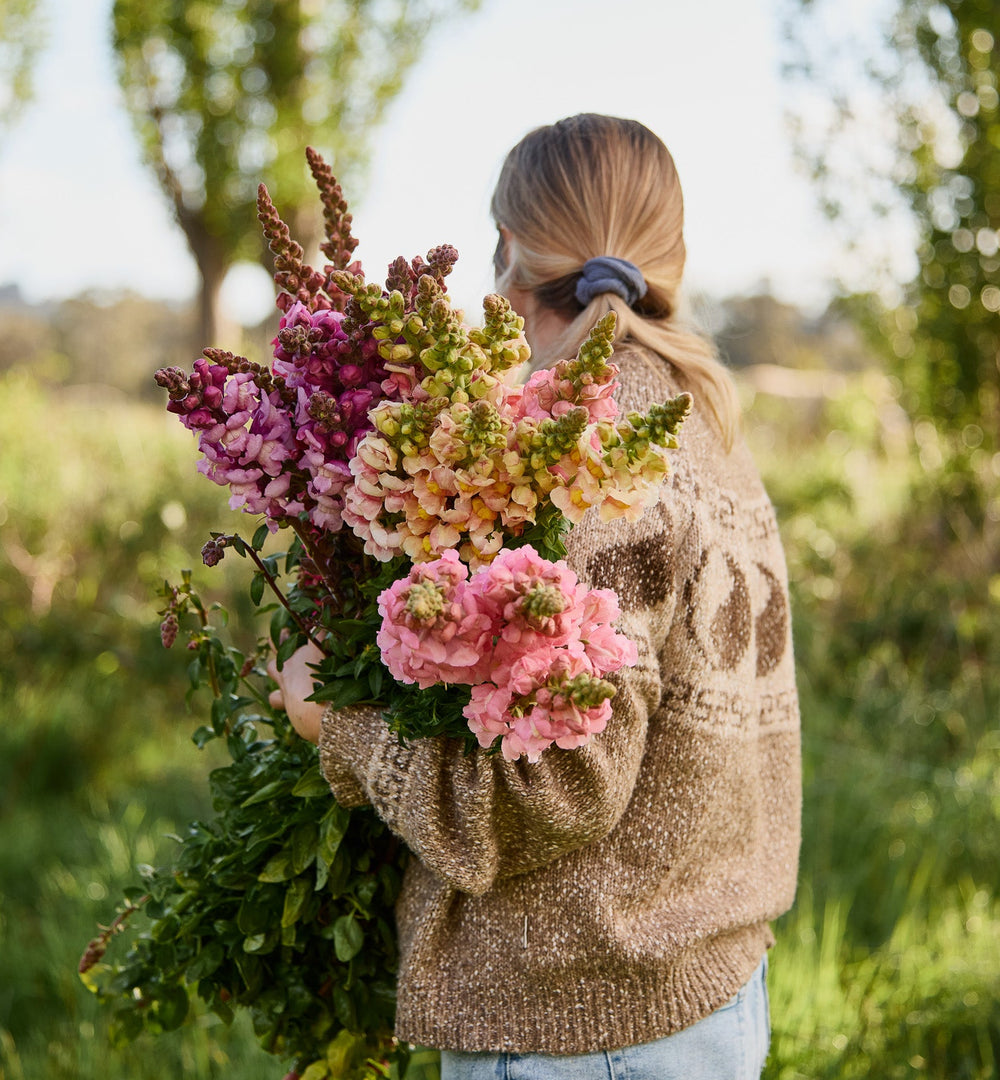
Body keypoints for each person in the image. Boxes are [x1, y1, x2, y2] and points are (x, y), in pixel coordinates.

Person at [273, 113, 801, 1080]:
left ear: (510, 248)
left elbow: (547, 792)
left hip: (582, 1018)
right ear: (668, 253)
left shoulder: (588, 453)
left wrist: (334, 719)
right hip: (692, 996)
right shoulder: (701, 420)